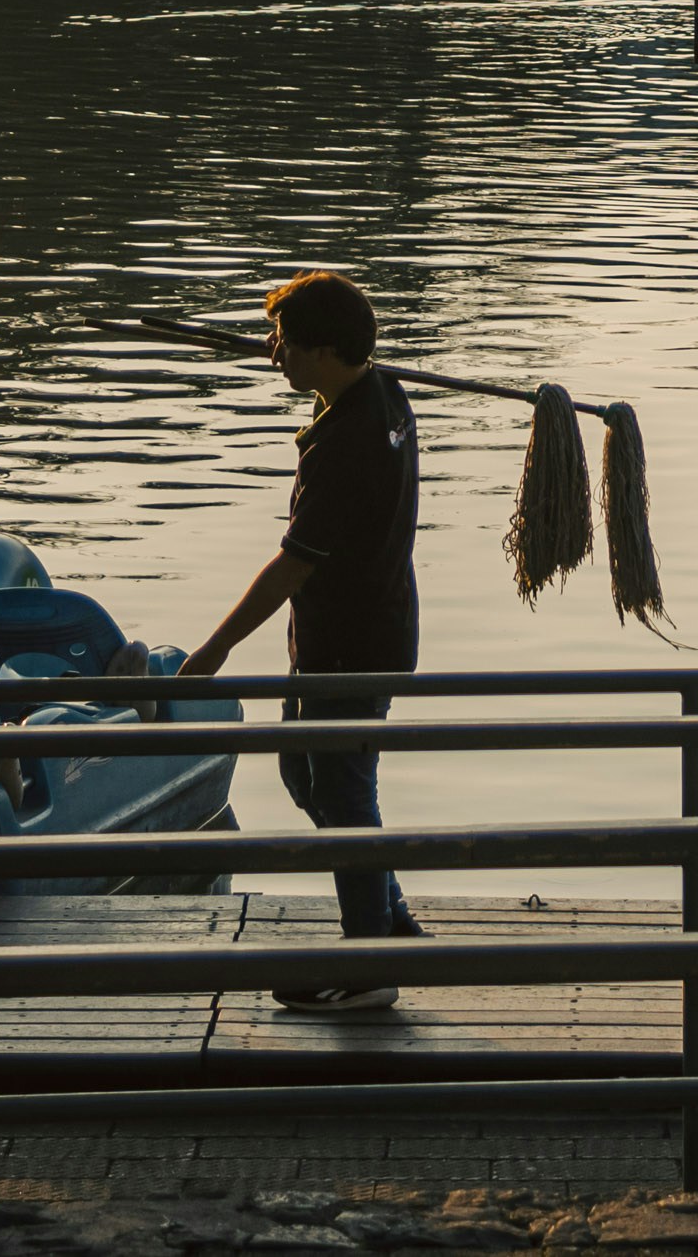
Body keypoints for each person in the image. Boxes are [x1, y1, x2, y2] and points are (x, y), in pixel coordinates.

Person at [183, 269, 425, 1007]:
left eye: (286, 345)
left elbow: (293, 563)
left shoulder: (343, 446)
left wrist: (217, 647)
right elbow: (331, 366)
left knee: (345, 795)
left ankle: (368, 966)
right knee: (305, 777)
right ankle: (389, 919)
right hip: (361, 631)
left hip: (349, 646)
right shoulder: (385, 392)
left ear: (324, 352)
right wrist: (297, 352)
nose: (275, 354)